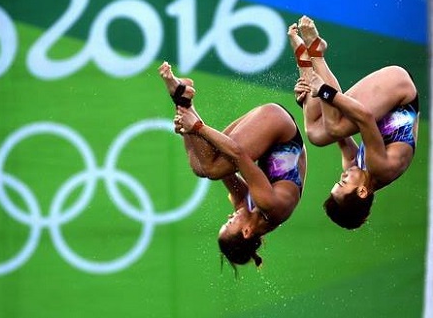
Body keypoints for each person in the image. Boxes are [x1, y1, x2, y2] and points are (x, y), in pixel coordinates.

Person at [158, 61, 307, 270]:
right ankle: (184, 105)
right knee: (211, 168)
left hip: (270, 130)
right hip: (278, 125)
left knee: (201, 167)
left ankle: (183, 98)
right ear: (246, 232)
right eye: (229, 223)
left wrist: (188, 130)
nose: (229, 217)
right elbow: (238, 154)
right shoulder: (270, 206)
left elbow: (222, 170)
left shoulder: (244, 207)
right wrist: (197, 128)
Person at [288, 15, 419, 229]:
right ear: (362, 191)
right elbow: (364, 118)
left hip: (386, 100)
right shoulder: (380, 169)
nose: (342, 176)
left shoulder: (354, 166)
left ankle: (307, 64)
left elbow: (331, 123)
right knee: (333, 126)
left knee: (316, 133)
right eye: (343, 182)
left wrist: (304, 99)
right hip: (399, 89)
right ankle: (316, 54)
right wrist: (322, 91)